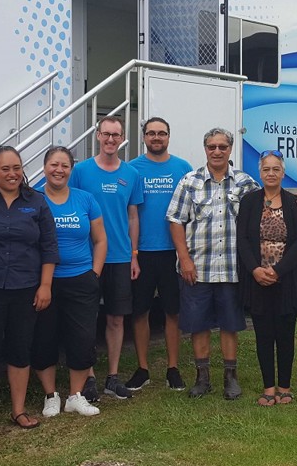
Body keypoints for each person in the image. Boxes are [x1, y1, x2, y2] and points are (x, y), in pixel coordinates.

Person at [0, 145, 59, 433]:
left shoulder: (37, 201)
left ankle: (18, 410)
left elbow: (49, 246)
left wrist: (45, 285)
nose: (12, 174)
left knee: (20, 349)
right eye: (5, 169)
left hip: (26, 288)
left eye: (16, 168)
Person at [167, 127, 259, 399]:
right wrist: (184, 259)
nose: (217, 151)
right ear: (205, 149)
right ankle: (202, 378)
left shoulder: (244, 183)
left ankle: (231, 378)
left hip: (231, 268)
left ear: (230, 149)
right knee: (198, 324)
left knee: (230, 325)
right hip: (197, 268)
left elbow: (268, 206)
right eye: (212, 147)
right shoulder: (190, 181)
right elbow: (175, 220)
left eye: (222, 147)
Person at [70, 115, 143, 401]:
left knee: (116, 318)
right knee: (86, 319)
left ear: (122, 138)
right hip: (85, 258)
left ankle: (112, 377)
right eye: (106, 134)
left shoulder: (131, 174)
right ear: (97, 136)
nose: (111, 139)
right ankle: (88, 377)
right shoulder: (80, 171)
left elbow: (133, 216)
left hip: (120, 257)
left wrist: (134, 255)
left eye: (116, 135)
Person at [31, 146, 104, 418]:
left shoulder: (85, 199)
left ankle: (75, 396)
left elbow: (100, 239)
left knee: (82, 339)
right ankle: (51, 396)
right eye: (54, 164)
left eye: (64, 165)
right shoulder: (33, 199)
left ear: (71, 170)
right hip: (44, 283)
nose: (59, 170)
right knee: (44, 339)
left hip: (81, 279)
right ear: (44, 167)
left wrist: (94, 273)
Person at [236, 149, 297, 406]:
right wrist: (256, 270)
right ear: (260, 172)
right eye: (266, 169)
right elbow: (242, 239)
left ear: (283, 173)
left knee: (285, 334)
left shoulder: (296, 203)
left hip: (286, 280)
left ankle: (285, 387)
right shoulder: (249, 202)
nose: (271, 173)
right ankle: (268, 387)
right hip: (257, 280)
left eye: (275, 169)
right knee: (263, 335)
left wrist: (278, 271)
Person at [125, 117, 193, 391]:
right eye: (151, 133)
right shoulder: (132, 169)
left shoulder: (183, 168)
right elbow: (128, 211)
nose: (156, 137)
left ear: (168, 137)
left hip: (173, 252)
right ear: (144, 137)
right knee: (139, 312)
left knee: (172, 312)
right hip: (141, 252)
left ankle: (172, 368)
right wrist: (132, 252)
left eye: (161, 133)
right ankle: (142, 369)